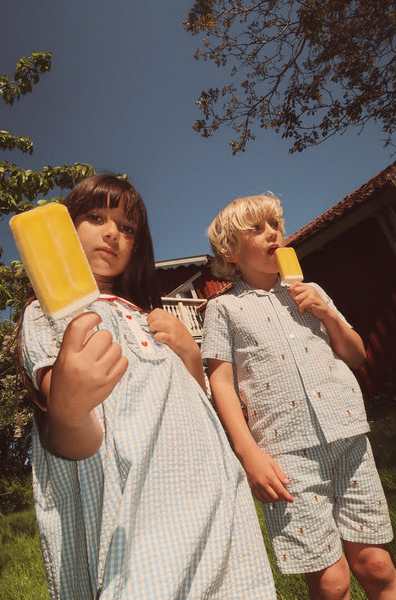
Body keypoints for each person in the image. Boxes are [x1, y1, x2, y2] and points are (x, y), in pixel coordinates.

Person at [17, 176, 277, 600]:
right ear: (65, 229)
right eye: (96, 217)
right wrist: (68, 410)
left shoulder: (151, 318)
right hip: (137, 508)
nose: (112, 233)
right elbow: (68, 437)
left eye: (127, 227)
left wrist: (191, 357)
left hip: (209, 491)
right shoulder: (51, 315)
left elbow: (196, 403)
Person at [201, 193, 396, 600]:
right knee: (332, 582)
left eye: (275, 225)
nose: (272, 233)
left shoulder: (312, 292)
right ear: (230, 251)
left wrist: (325, 313)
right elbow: (221, 384)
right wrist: (249, 454)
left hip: (348, 437)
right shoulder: (223, 310)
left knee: (377, 566)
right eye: (256, 229)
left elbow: (357, 354)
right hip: (287, 455)